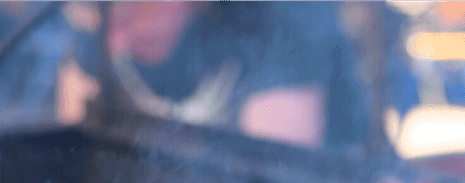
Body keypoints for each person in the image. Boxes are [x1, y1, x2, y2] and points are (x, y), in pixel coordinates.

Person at [58, 1, 371, 148]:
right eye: (100, 26)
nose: (114, 46)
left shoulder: (285, 14)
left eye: (126, 17)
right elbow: (76, 159)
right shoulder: (100, 23)